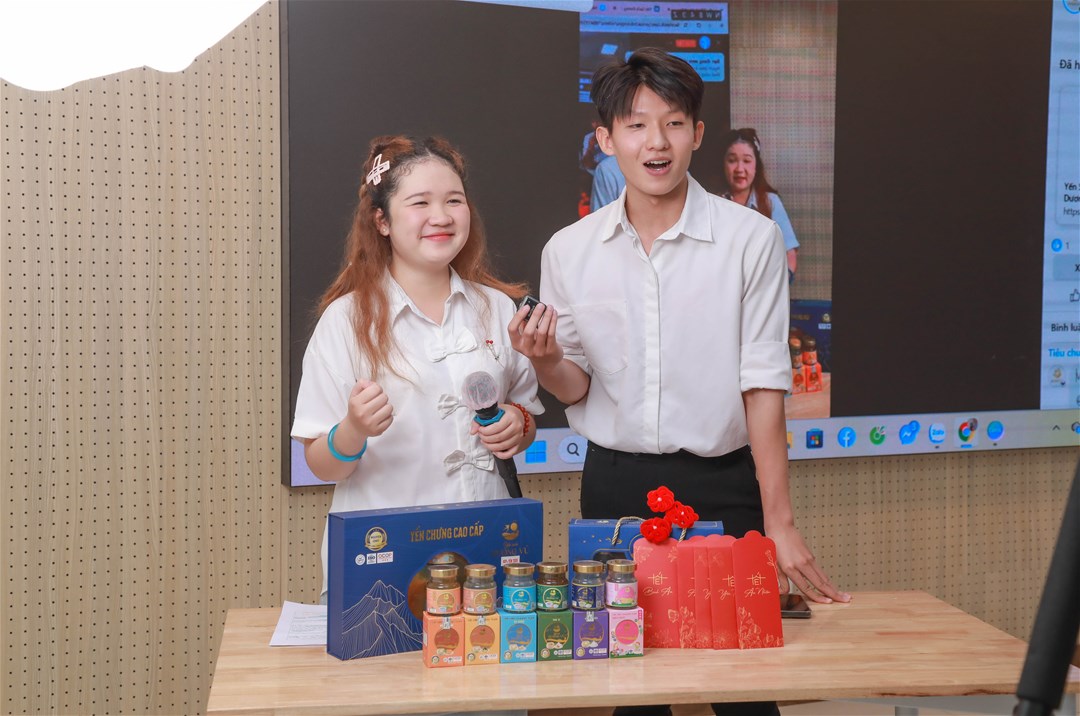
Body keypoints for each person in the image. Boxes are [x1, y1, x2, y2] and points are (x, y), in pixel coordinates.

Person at [509, 48, 848, 716]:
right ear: (606, 139)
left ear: (697, 133)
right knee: (632, 688)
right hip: (614, 484)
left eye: (673, 123)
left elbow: (763, 384)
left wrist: (778, 521)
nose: (655, 143)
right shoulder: (568, 250)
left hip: (725, 481)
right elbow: (575, 388)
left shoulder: (750, 239)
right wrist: (544, 360)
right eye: (636, 125)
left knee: (746, 687)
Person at [291, 135, 544, 606]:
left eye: (454, 201)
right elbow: (320, 464)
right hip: (384, 553)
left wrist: (517, 424)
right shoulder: (346, 320)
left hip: (486, 547)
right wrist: (354, 429)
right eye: (420, 203)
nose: (441, 216)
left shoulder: (496, 308)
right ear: (382, 221)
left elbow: (525, 420)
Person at [718, 127, 800, 283]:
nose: (740, 169)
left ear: (756, 166)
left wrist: (778, 286)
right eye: (732, 160)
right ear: (723, 164)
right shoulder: (713, 203)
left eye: (747, 161)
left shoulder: (771, 202)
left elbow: (790, 254)